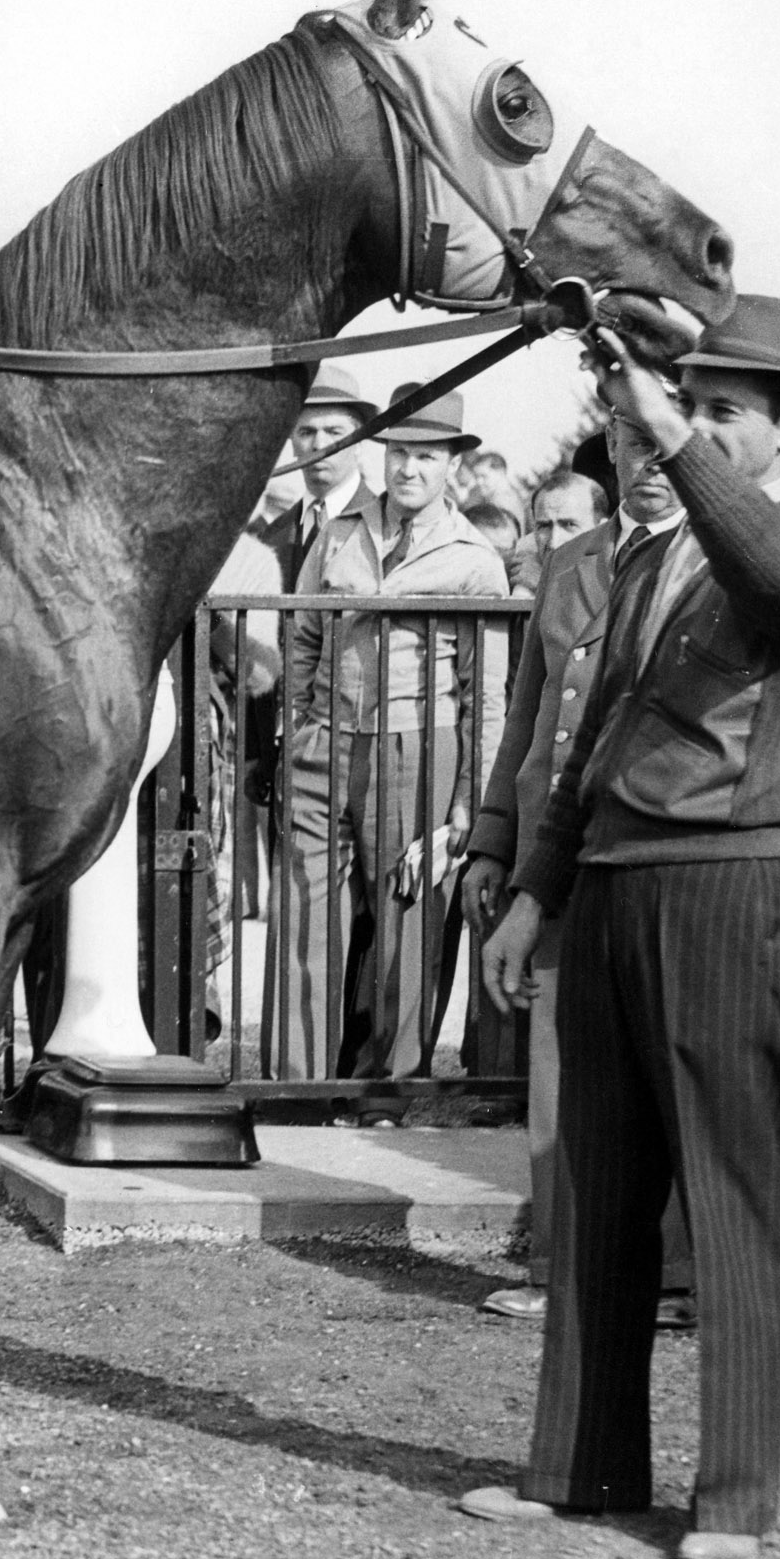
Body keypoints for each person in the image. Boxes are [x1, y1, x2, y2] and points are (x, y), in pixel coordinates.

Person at [467, 296, 780, 1559]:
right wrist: (536, 890)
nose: (694, 429)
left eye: (726, 413)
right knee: (596, 1189)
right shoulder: (639, 563)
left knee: (729, 1199)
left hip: (725, 888)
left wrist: (670, 440)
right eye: (692, 405)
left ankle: (734, 1497)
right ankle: (580, 1467)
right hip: (618, 885)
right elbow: (583, 750)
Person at [463, 413, 695, 1324]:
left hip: (649, 842)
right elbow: (528, 715)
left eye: (666, 446)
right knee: (557, 1061)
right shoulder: (575, 558)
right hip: (552, 847)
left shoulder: (716, 564)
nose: (649, 466)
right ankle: (560, 1272)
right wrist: (492, 837)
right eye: (632, 445)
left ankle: (671, 1279)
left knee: (660, 1057)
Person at [270, 391, 508, 1097]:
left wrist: (471, 802)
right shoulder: (339, 532)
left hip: (418, 750)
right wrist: (301, 731)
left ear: (450, 468)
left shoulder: (474, 559)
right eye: (399, 451)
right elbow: (304, 635)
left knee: (408, 929)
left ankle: (389, 1092)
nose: (408, 468)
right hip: (325, 743)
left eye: (426, 456)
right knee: (305, 918)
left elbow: (485, 694)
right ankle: (298, 1090)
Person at [261, 368, 377, 591]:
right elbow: (224, 620)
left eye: (334, 432)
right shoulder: (271, 535)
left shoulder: (388, 527)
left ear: (359, 442)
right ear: (291, 441)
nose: (319, 445)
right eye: (306, 432)